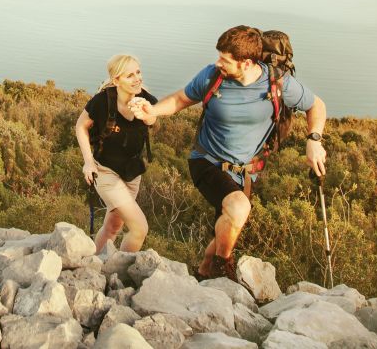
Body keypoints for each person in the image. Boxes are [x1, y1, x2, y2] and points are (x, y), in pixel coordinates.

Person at [136, 25, 327, 280]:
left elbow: (317, 105)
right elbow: (181, 99)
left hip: (246, 172)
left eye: (225, 60)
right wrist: (153, 111)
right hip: (207, 161)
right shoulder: (212, 76)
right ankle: (222, 268)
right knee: (238, 208)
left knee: (229, 226)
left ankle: (204, 269)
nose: (218, 63)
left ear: (246, 63)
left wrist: (314, 139)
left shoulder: (278, 83)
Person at [74, 54, 158, 253]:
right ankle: (119, 274)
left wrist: (145, 113)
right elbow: (80, 126)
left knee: (114, 225)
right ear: (116, 81)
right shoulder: (102, 102)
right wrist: (88, 162)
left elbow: (152, 121)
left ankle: (92, 263)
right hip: (105, 171)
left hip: (132, 173)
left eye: (138, 72)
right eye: (130, 75)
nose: (137, 78)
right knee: (139, 228)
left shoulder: (145, 98)